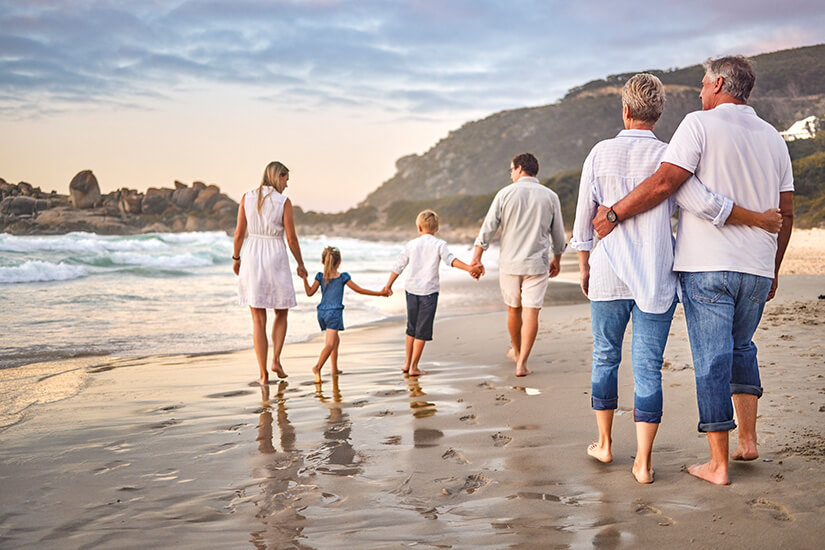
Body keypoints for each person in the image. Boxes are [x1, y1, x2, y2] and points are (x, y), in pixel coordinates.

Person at [570, 73, 782, 484]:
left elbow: (584, 220)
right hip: (656, 276)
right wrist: (757, 219)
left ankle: (605, 443)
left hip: (609, 273)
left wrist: (584, 264)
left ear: (626, 110)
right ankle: (643, 463)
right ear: (660, 112)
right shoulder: (671, 155)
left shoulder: (599, 153)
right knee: (649, 367)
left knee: (605, 356)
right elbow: (700, 202)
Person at [472, 153, 566, 377]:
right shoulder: (550, 196)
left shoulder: (505, 194)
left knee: (514, 309)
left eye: (511, 170)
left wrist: (477, 257)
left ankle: (516, 350)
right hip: (538, 263)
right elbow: (559, 235)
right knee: (532, 313)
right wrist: (557, 259)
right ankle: (521, 362)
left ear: (520, 168)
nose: (511, 174)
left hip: (510, 264)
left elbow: (488, 228)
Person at [234, 161, 308, 386]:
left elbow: (239, 233)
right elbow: (291, 238)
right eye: (286, 179)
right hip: (275, 254)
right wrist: (301, 264)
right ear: (279, 176)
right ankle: (276, 360)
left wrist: (236, 258)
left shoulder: (247, 197)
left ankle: (263, 374)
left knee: (257, 318)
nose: (287, 184)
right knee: (281, 311)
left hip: (253, 255)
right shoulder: (283, 202)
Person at [383, 210, 481, 376]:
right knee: (422, 330)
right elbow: (451, 261)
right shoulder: (439, 244)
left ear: (419, 228)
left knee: (411, 327)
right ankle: (414, 367)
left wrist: (388, 285)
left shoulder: (411, 245)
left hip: (411, 291)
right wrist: (470, 268)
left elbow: (398, 266)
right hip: (429, 293)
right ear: (437, 228)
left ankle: (407, 363)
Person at [302, 246, 389, 383]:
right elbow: (359, 290)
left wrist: (304, 279)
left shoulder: (320, 277)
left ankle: (334, 369)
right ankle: (317, 367)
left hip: (322, 312)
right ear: (339, 261)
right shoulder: (343, 277)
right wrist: (380, 293)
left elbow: (309, 293)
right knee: (330, 344)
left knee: (335, 340)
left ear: (323, 262)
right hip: (334, 313)